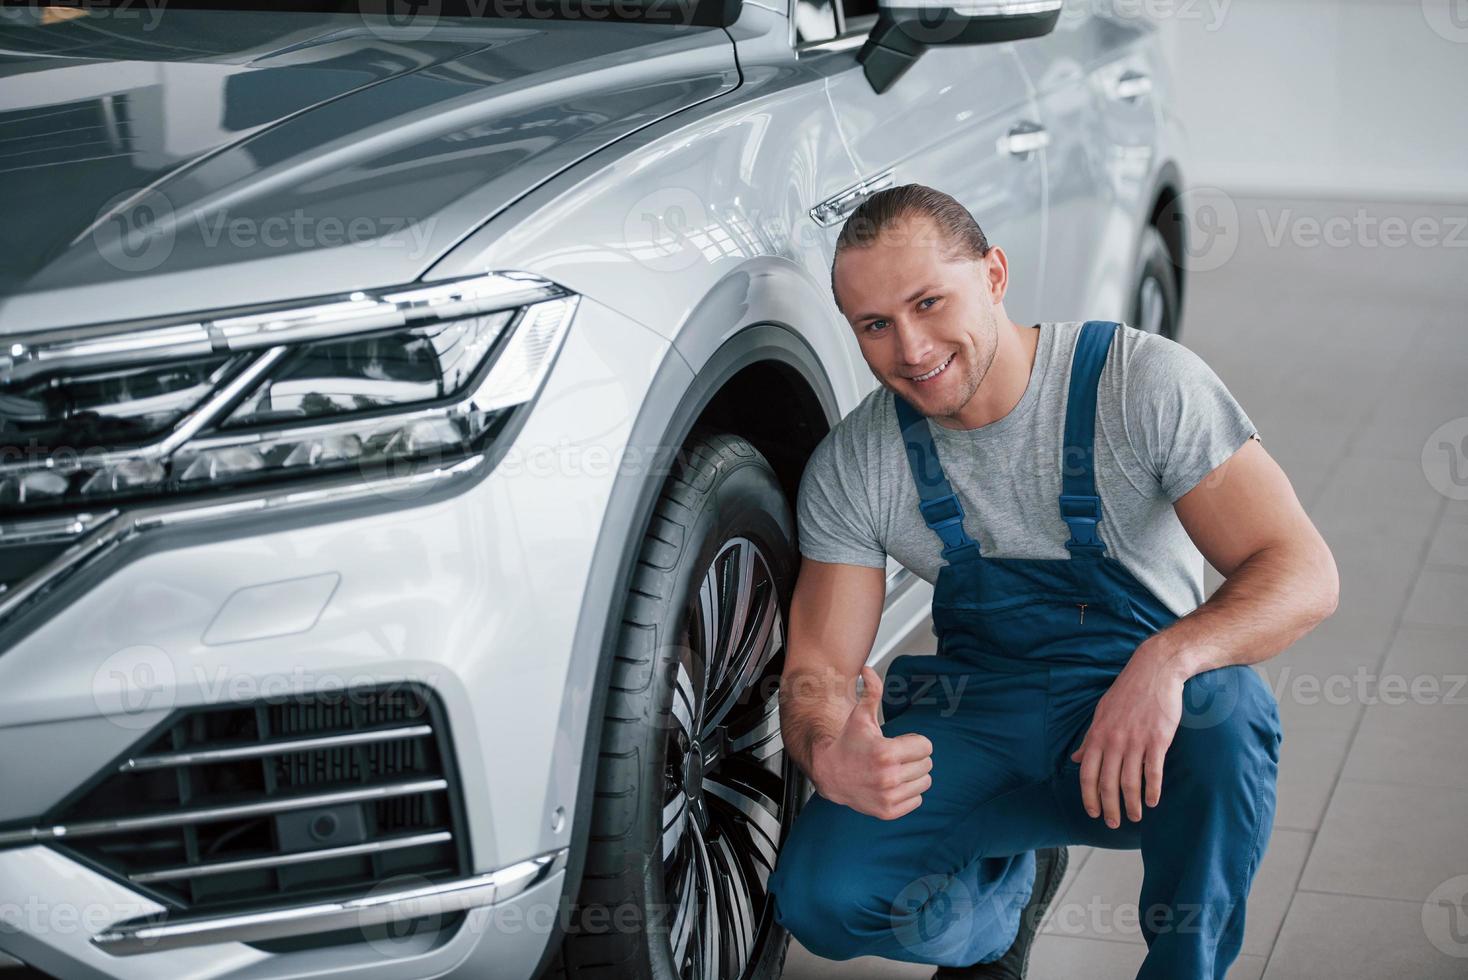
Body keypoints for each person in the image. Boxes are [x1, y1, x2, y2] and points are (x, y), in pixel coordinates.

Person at [766, 183, 1339, 980]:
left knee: (1228, 711)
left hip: (1138, 717)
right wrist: (827, 748)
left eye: (930, 302)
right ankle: (997, 916)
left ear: (995, 274)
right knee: (822, 897)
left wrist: (1167, 662)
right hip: (978, 711)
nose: (912, 347)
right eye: (875, 325)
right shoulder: (858, 464)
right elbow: (819, 673)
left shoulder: (1140, 385)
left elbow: (1302, 570)